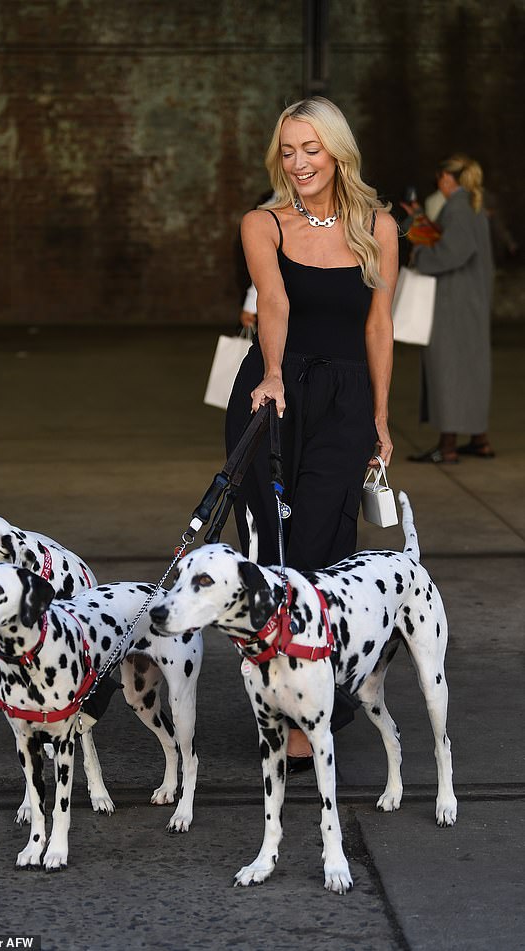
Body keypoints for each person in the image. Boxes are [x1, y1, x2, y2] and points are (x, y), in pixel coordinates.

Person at [225, 97, 398, 770]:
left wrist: (381, 416)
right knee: (268, 550)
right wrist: (271, 373)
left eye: (311, 150)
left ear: (338, 154)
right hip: (273, 396)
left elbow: (378, 326)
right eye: (288, 151)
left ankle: (315, 704)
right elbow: (275, 300)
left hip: (347, 399)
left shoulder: (378, 227)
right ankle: (276, 698)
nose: (298, 163)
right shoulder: (262, 222)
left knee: (322, 544)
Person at [404, 155, 495, 463]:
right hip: (470, 300)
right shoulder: (470, 205)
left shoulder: (457, 207)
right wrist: (420, 218)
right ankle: (479, 439)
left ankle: (448, 447)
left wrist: (420, 257)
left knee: (448, 369)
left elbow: (452, 251)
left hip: (454, 303)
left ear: (447, 178)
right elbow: (452, 241)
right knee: (470, 370)